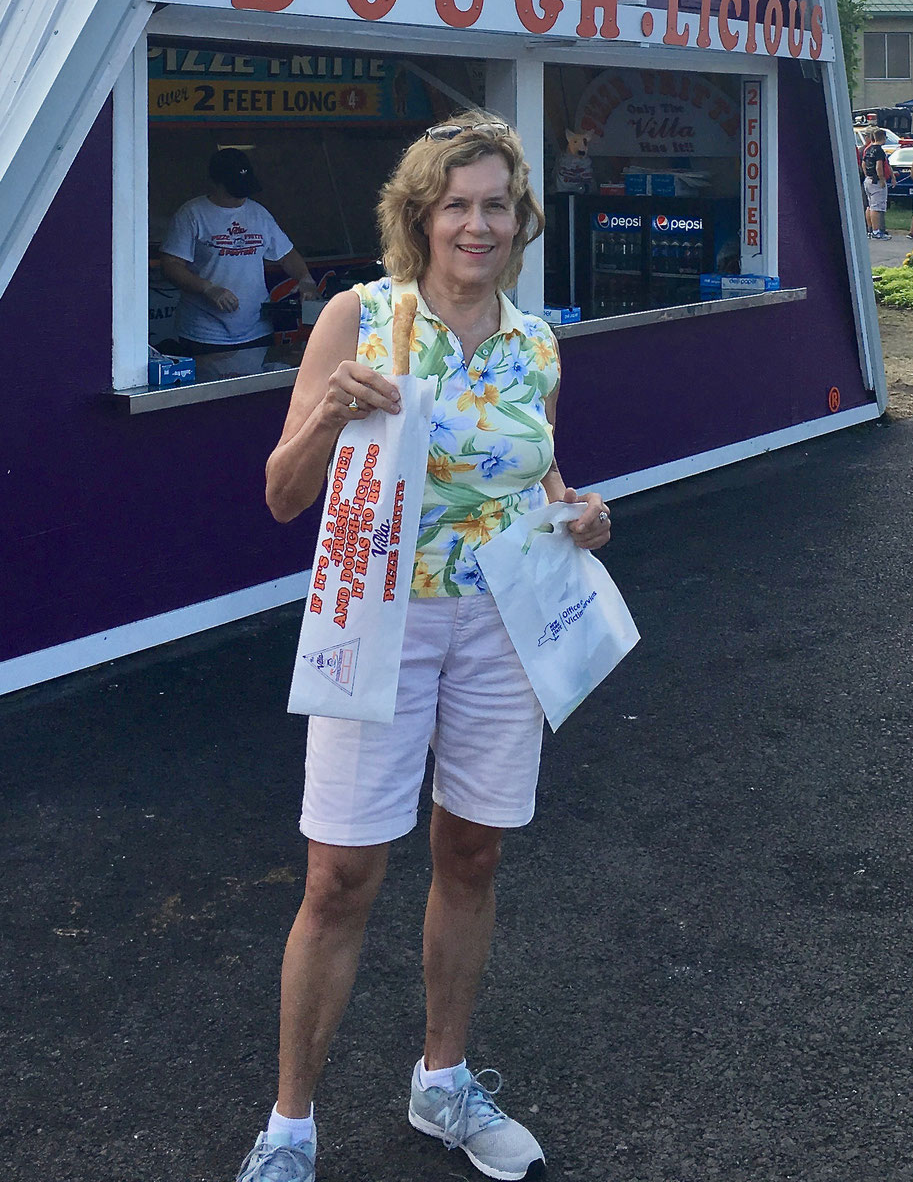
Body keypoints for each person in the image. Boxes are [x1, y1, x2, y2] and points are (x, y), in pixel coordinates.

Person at [243, 113, 611, 1182]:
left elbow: (537, 473)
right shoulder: (361, 318)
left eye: (497, 202)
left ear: (519, 217)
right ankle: (290, 1127)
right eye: (457, 203)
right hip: (379, 617)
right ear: (420, 214)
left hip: (503, 626)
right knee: (341, 875)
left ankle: (441, 1080)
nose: (478, 222)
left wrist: (579, 511)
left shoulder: (535, 341)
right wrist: (325, 420)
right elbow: (280, 494)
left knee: (473, 853)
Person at [159, 148, 320, 380]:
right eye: (234, 190)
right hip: (205, 334)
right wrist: (208, 288)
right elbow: (171, 264)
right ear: (216, 182)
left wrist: (305, 279)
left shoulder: (258, 213)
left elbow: (287, 255)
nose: (240, 197)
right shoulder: (192, 214)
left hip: (257, 330)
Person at [860, 128, 892, 240]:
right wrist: (881, 178)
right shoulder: (879, 151)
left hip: (868, 179)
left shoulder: (868, 149)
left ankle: (870, 229)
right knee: (876, 207)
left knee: (869, 206)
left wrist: (867, 174)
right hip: (876, 181)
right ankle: (876, 231)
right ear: (882, 138)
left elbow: (863, 164)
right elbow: (879, 166)